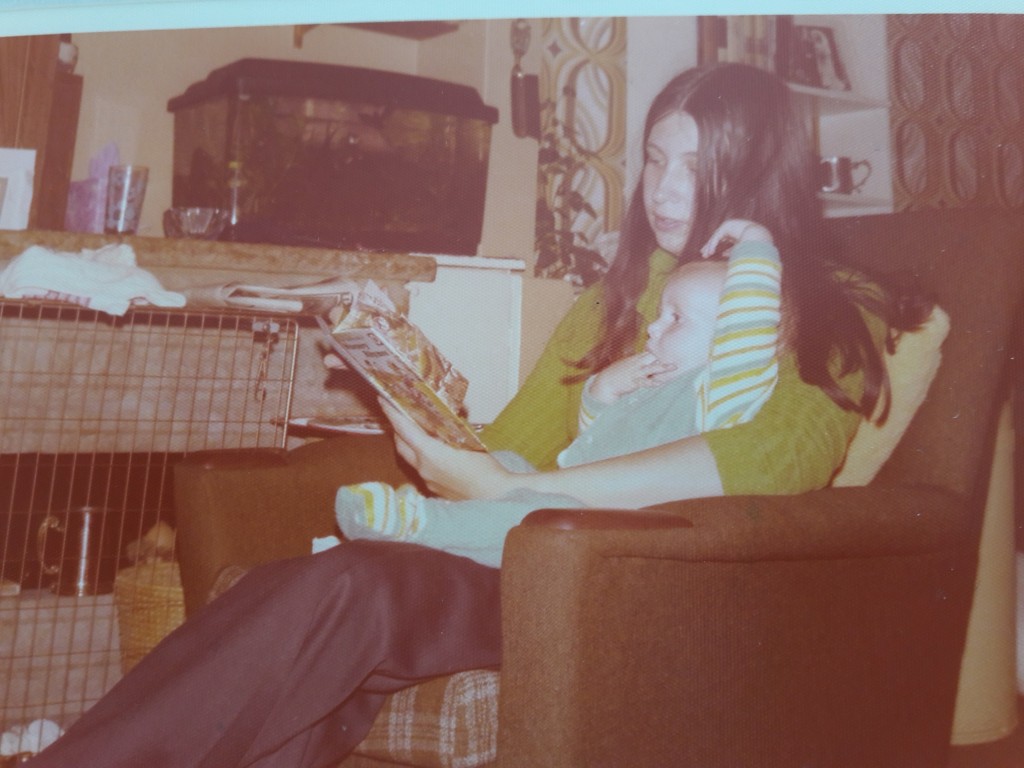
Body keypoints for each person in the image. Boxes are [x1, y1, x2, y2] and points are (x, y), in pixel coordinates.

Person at [26, 62, 923, 768]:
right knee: (339, 591)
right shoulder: (612, 300)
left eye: (696, 164)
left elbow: (772, 463)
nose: (664, 187)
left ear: (757, 170)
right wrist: (405, 392)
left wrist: (517, 489)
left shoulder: (834, 302)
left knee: (357, 590)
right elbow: (508, 444)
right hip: (529, 555)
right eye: (652, 158)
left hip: (642, 587)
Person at [335, 241, 782, 567]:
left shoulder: (719, 389)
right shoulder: (649, 379)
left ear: (727, 338)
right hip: (565, 490)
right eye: (660, 313)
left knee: (527, 520)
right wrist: (602, 392)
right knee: (507, 462)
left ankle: (423, 526)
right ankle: (443, 520)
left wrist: (755, 247)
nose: (653, 328)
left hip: (607, 530)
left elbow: (751, 324)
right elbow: (595, 440)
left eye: (677, 318)